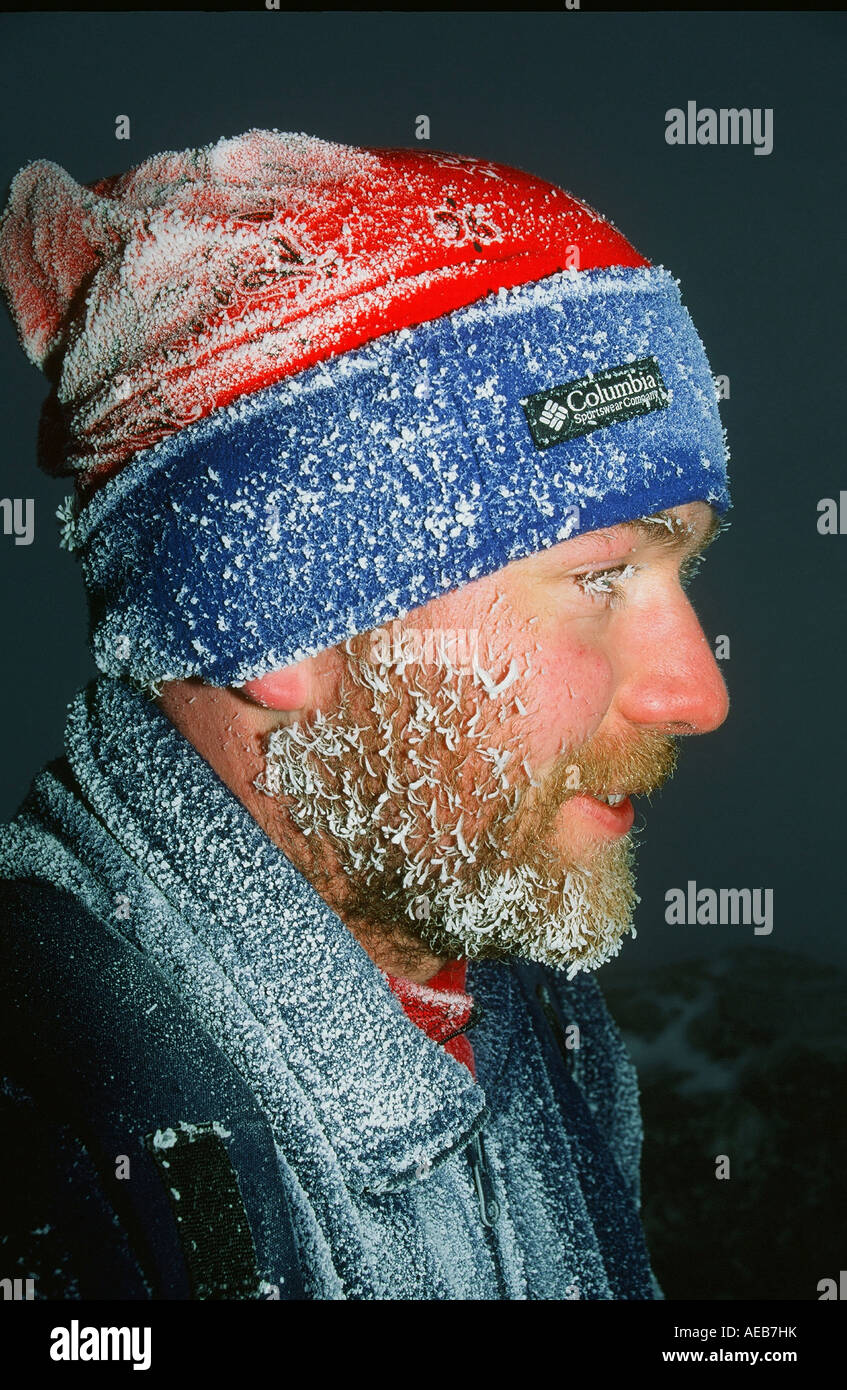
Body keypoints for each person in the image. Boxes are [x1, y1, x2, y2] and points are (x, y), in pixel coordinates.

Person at [0, 128, 730, 1300]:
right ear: (278, 615)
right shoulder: (52, 1159)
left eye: (678, 572)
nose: (696, 691)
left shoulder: (543, 1026)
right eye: (599, 576)